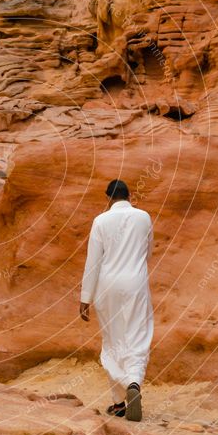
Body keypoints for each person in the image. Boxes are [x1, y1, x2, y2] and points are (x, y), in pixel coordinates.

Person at [79, 179, 154, 421]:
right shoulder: (144, 218)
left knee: (112, 340)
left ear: (108, 197)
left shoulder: (100, 221)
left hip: (107, 285)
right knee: (137, 335)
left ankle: (119, 402)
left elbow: (93, 262)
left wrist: (85, 297)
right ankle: (133, 381)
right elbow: (147, 251)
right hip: (135, 283)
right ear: (129, 196)